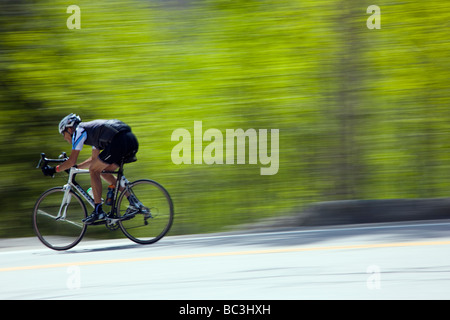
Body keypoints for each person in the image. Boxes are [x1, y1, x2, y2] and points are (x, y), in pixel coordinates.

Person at [42, 113, 139, 224]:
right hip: (130, 140)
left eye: (63, 134)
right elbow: (94, 159)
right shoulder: (92, 132)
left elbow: (71, 160)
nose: (64, 138)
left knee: (94, 170)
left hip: (119, 141)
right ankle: (134, 202)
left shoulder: (79, 131)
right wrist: (76, 167)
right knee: (103, 171)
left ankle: (98, 211)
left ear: (69, 129)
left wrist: (54, 169)